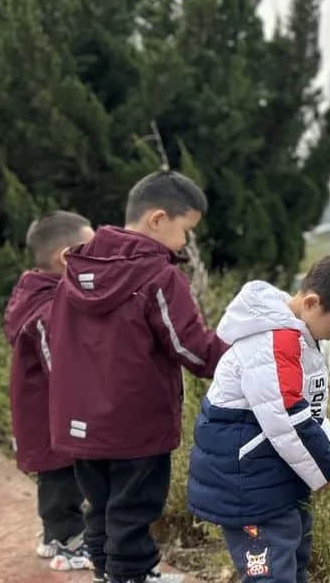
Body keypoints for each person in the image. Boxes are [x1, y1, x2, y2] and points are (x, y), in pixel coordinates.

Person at [48, 171, 228, 583]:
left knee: (101, 503)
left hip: (80, 423)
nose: (185, 243)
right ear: (158, 219)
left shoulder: (73, 272)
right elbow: (190, 348)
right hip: (135, 424)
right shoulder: (160, 277)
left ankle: (107, 571)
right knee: (133, 507)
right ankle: (131, 575)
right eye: (186, 231)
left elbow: (58, 343)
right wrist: (239, 359)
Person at [186, 253, 330, 583]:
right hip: (247, 482)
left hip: (269, 475)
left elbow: (310, 406)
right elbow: (286, 417)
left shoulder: (297, 335)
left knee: (292, 551)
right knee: (271, 568)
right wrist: (325, 467)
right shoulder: (273, 341)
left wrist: (324, 444)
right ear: (312, 303)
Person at [4, 211, 95, 571]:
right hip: (53, 413)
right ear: (67, 256)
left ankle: (54, 536)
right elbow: (59, 362)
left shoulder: (39, 292)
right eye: (91, 249)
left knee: (59, 477)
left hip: (45, 411)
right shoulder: (48, 306)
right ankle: (67, 543)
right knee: (63, 478)